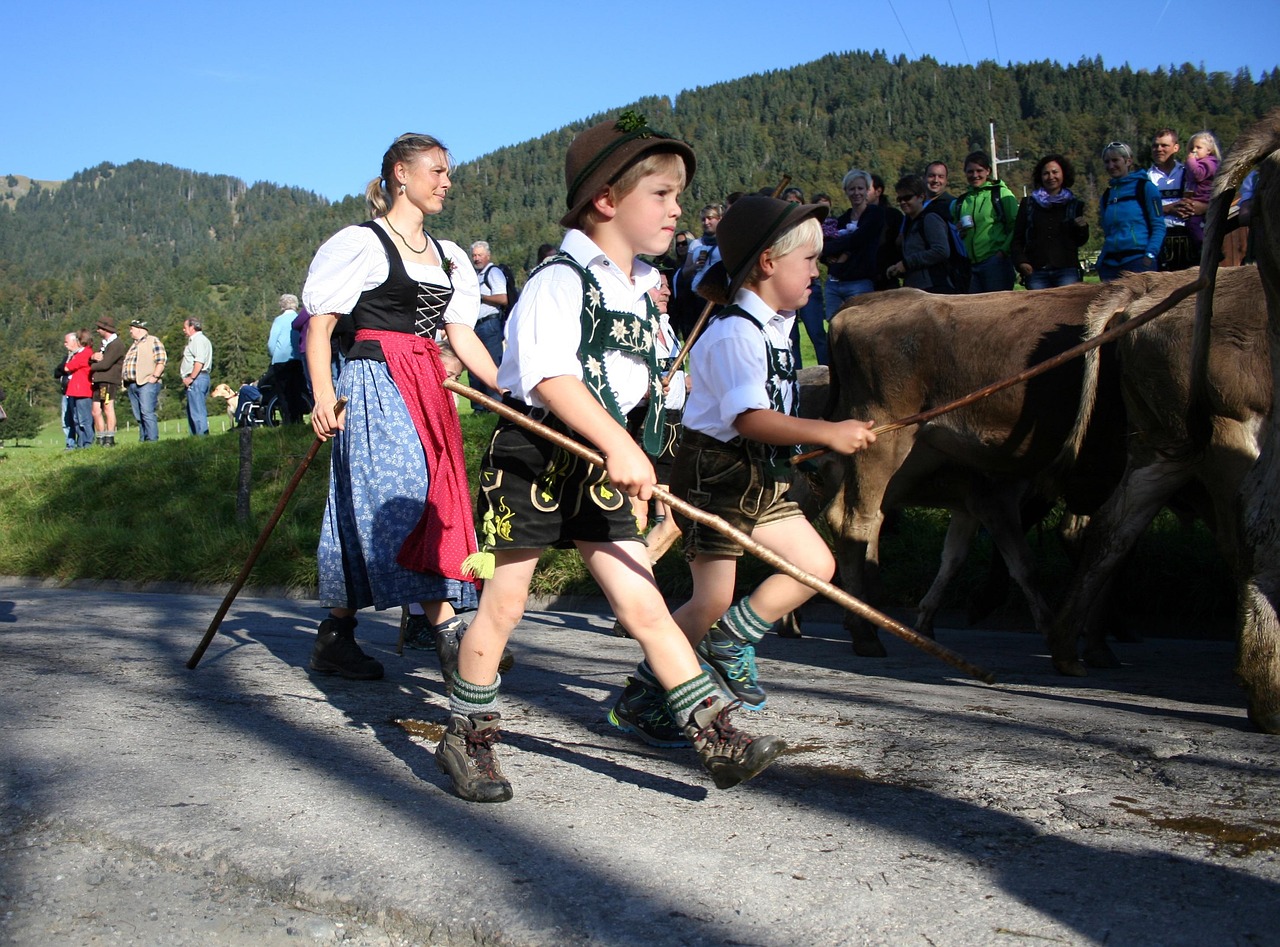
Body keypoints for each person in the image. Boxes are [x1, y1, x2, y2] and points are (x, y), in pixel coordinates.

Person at [441, 112, 785, 803]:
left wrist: (677, 415)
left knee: (645, 601)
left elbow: (659, 383)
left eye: (677, 195)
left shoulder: (642, 294)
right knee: (505, 606)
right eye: (660, 193)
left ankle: (711, 729)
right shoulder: (559, 279)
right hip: (535, 456)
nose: (677, 207)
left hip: (601, 464)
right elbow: (547, 376)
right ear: (606, 199)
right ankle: (467, 732)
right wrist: (619, 442)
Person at [648, 195, 876, 715]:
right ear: (769, 264)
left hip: (761, 473)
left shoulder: (777, 327)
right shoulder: (734, 333)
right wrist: (827, 432)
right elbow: (749, 418)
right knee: (709, 600)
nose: (817, 272)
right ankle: (645, 693)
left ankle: (730, 640)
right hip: (716, 475)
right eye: (809, 261)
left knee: (815, 563)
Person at [302, 132, 498, 684]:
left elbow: (459, 332)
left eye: (447, 172)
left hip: (427, 385)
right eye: (435, 170)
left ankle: (337, 637)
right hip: (375, 382)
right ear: (400, 174)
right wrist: (322, 396)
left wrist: (509, 387)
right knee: (403, 497)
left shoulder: (451, 256)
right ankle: (445, 631)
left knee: (432, 497)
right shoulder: (359, 244)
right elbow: (321, 326)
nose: (446, 182)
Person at [1011, 154, 1089, 289]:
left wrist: (1083, 228)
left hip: (1066, 269)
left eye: (1055, 172)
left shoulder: (1074, 204)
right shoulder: (1028, 204)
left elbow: (1079, 241)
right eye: (1046, 173)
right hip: (1036, 271)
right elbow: (1017, 238)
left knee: (1067, 309)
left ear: (1063, 174)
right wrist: (1021, 262)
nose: (1051, 177)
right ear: (1040, 177)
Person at [1097, 141, 1166, 282]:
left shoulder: (1145, 188)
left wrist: (1150, 255)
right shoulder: (1107, 195)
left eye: (1115, 160)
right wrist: (1101, 261)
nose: (1111, 166)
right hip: (1110, 265)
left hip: (1138, 261)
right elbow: (1108, 231)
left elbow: (1158, 225)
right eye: (1107, 162)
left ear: (1128, 161)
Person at [821, 169, 885, 318]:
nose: (856, 192)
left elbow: (858, 238)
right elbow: (827, 243)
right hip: (835, 283)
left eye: (860, 188)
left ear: (867, 190)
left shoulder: (875, 214)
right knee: (833, 326)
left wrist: (828, 250)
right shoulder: (842, 219)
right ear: (846, 191)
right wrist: (826, 255)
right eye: (852, 189)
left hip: (860, 282)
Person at [952, 151, 1018, 292]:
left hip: (996, 264)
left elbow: (1016, 226)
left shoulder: (1001, 194)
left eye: (979, 170)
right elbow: (955, 232)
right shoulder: (961, 202)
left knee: (998, 310)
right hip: (971, 266)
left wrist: (1002, 252)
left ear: (988, 171)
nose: (975, 175)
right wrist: (959, 231)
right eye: (970, 171)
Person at [887, 174, 954, 292]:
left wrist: (906, 264)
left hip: (934, 289)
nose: (903, 202)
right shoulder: (909, 222)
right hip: (918, 289)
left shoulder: (930, 219)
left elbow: (941, 251)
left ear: (921, 197)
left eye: (907, 198)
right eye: (899, 199)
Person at [1148, 128, 1194, 271]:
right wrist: (1168, 209)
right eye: (1155, 145)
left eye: (1164, 145)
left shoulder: (1188, 173)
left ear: (1176, 148)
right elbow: (1141, 210)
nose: (1158, 149)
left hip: (1188, 239)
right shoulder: (1146, 177)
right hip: (1158, 239)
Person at [469, 240, 508, 410]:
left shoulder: (493, 273)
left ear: (488, 256)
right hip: (477, 326)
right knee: (474, 367)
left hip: (490, 324)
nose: (476, 258)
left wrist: (481, 297)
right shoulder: (477, 276)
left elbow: (502, 298)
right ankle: (479, 408)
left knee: (491, 365)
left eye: (479, 255)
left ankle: (495, 407)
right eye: (474, 255)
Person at [121, 319, 167, 442]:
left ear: (140, 328)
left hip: (147, 382)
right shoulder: (133, 345)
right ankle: (143, 439)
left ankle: (152, 440)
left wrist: (155, 377)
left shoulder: (153, 341)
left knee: (147, 412)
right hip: (132, 384)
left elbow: (161, 360)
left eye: (132, 328)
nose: (130, 330)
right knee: (139, 415)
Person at [266, 294, 308, 422]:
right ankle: (299, 418)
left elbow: (271, 343)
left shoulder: (278, 320)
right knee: (297, 390)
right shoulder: (299, 319)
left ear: (282, 305)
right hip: (297, 359)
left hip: (280, 360)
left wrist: (274, 355)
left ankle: (287, 419)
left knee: (283, 392)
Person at [89, 315, 126, 446]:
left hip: (108, 380)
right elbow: (99, 360)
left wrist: (89, 366)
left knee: (107, 406)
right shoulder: (104, 344)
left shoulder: (116, 345)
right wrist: (93, 358)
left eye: (99, 328)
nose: (98, 331)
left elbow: (105, 364)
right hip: (99, 380)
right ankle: (100, 436)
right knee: (95, 409)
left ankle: (109, 437)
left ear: (106, 329)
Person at [1183, 131, 1221, 250]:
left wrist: (1190, 161)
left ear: (1209, 150)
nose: (1194, 151)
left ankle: (1205, 247)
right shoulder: (1197, 163)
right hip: (1195, 199)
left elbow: (1198, 175)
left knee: (1193, 225)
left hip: (1204, 199)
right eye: (1191, 148)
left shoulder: (1209, 163)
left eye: (1198, 147)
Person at [61, 329, 95, 448]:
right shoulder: (80, 353)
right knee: (77, 419)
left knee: (84, 419)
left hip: (82, 390)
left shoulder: (85, 353)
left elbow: (67, 367)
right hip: (75, 390)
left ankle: (87, 443)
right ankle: (81, 443)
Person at [179, 319, 213, 435]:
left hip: (197, 379)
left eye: (185, 327)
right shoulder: (202, 340)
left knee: (197, 413)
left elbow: (199, 361)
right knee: (195, 411)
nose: (184, 330)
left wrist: (191, 378)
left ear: (192, 327)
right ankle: (197, 438)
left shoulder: (197, 340)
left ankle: (201, 439)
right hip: (201, 378)